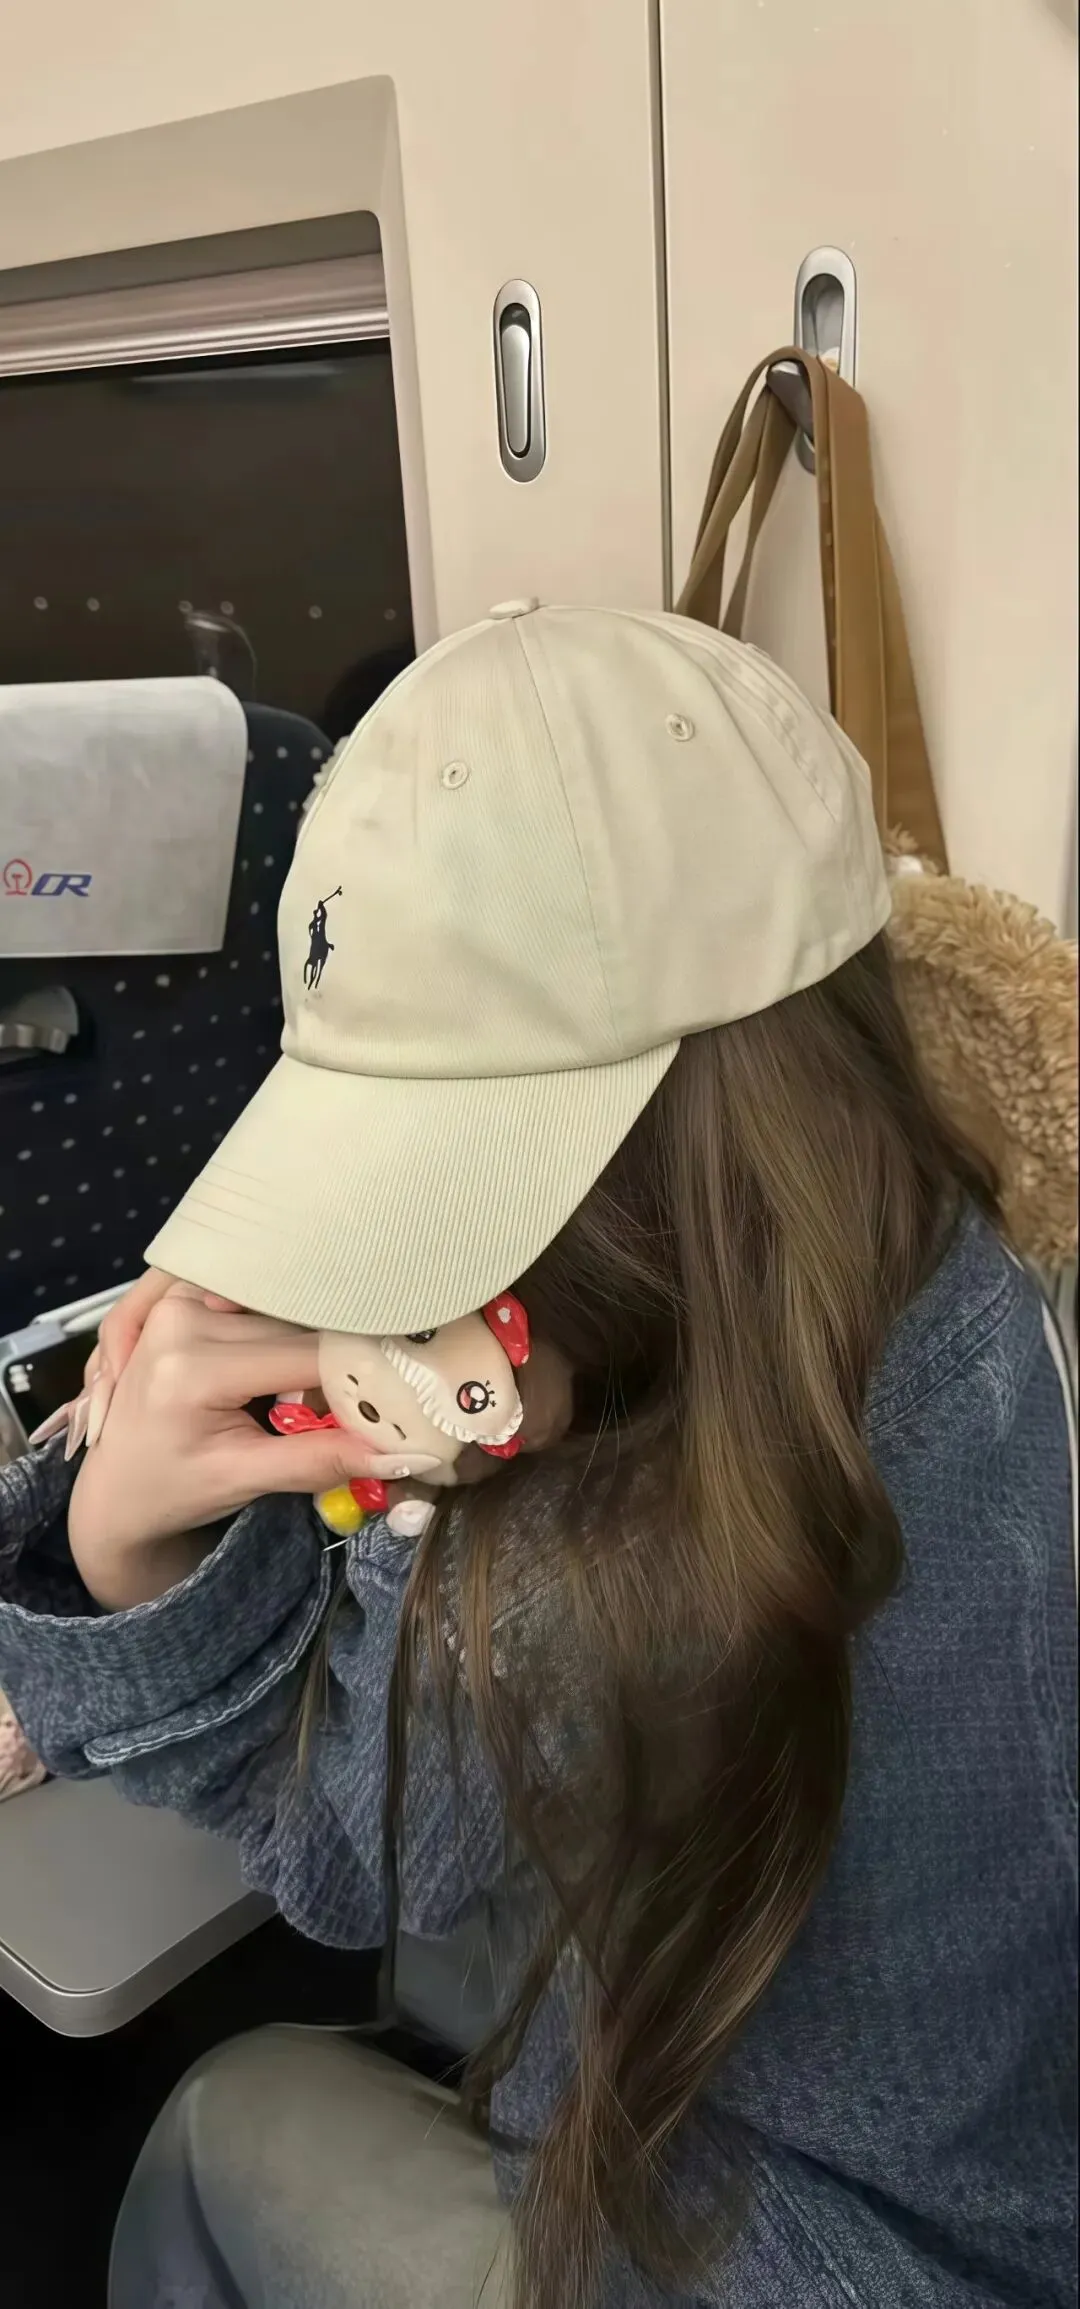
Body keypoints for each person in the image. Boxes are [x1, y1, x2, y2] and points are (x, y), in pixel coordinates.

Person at [0, 605, 1075, 2309]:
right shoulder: (953, 1269)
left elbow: (350, 1860)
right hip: (996, 2150)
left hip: (809, 2246)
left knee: (221, 2125)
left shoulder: (624, 1537)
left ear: (660, 1156)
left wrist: (123, 1561)